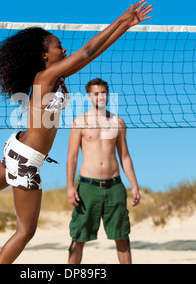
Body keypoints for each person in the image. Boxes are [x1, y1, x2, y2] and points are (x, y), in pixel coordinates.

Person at [0, 0, 152, 264]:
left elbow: (93, 53)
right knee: (24, 232)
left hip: (19, 149)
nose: (64, 48)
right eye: (57, 45)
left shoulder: (56, 76)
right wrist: (121, 19)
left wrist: (125, 26)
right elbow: (87, 51)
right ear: (44, 55)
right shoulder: (45, 78)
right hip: (27, 160)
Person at [66, 78, 141, 264]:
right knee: (79, 238)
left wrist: (134, 185)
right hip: (88, 187)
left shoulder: (118, 122)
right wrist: (69, 186)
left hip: (114, 186)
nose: (101, 97)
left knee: (122, 237)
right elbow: (72, 157)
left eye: (104, 93)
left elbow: (125, 156)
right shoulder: (79, 122)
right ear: (89, 96)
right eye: (96, 94)